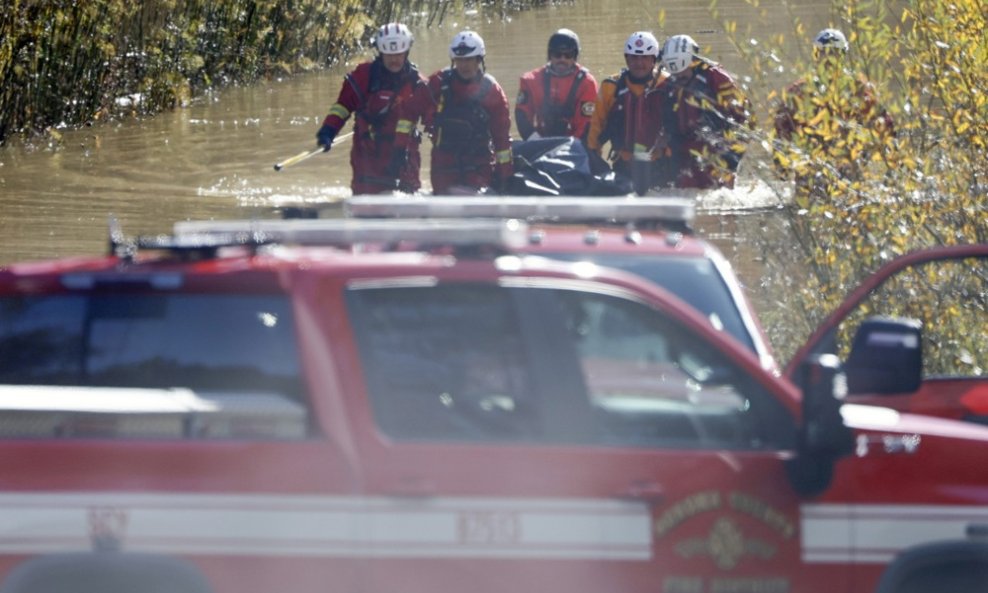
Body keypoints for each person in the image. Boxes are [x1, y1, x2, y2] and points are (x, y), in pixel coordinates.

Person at [772, 28, 895, 197]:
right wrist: (782, 166)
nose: (828, 60)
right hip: (811, 166)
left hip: (847, 165)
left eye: (833, 54)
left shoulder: (859, 89)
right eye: (825, 54)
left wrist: (887, 166)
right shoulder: (799, 91)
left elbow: (885, 126)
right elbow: (781, 127)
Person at [315, 23, 433, 194]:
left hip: (404, 155)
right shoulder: (363, 76)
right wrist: (329, 130)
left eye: (399, 54)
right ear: (380, 52)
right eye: (389, 54)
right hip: (368, 154)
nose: (394, 59)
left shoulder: (418, 83)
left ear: (406, 52)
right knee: (367, 200)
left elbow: (433, 117)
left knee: (408, 204)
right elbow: (343, 106)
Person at [645, 34, 751, 190]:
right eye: (676, 74)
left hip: (715, 148)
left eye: (683, 72)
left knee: (717, 193)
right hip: (684, 151)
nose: (679, 77)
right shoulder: (668, 86)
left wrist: (732, 160)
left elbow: (745, 119)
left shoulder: (716, 79)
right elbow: (664, 125)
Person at [426, 31, 514, 195]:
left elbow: (501, 140)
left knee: (475, 209)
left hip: (478, 165)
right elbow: (410, 109)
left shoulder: (493, 92)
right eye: (460, 60)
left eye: (469, 60)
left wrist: (505, 177)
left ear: (479, 60)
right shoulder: (439, 82)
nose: (464, 65)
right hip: (443, 166)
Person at [586, 31, 666, 180]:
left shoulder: (667, 84)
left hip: (659, 163)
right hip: (624, 162)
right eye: (634, 57)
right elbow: (597, 127)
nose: (639, 63)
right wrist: (594, 161)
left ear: (653, 60)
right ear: (627, 59)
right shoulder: (610, 86)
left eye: (644, 58)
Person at [515, 29, 599, 141]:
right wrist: (536, 142)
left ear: (575, 57)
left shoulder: (587, 83)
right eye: (557, 54)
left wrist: (567, 148)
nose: (562, 59)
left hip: (576, 147)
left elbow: (586, 125)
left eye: (568, 55)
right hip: (540, 143)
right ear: (550, 55)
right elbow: (522, 116)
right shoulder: (531, 80)